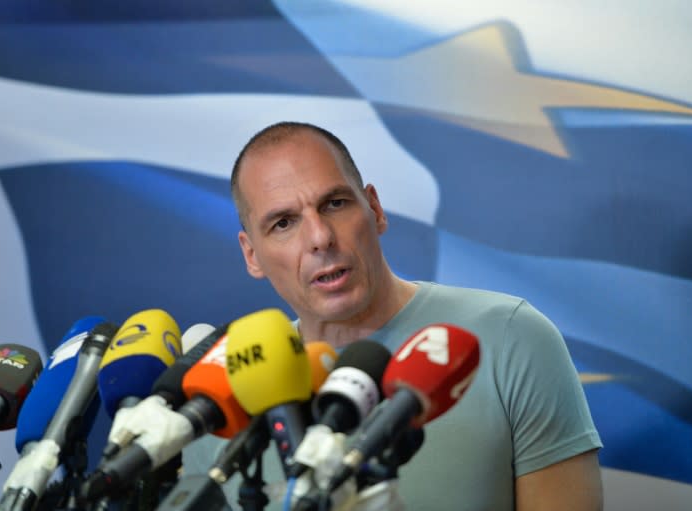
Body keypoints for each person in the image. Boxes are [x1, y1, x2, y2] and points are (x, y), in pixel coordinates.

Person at [185, 121, 603, 510]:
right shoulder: (221, 394)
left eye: (334, 203)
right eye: (283, 223)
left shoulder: (511, 336)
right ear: (252, 254)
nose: (320, 237)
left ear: (375, 209)